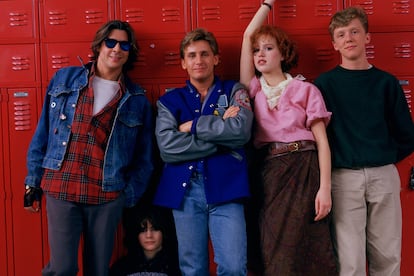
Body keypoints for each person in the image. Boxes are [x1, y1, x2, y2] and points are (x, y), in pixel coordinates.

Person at [23, 20, 154, 276]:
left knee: (98, 270)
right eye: (111, 42)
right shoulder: (65, 79)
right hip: (61, 186)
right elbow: (43, 133)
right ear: (99, 45)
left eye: (124, 45)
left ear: (130, 52)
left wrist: (127, 196)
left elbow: (144, 157)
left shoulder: (137, 99)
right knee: (62, 268)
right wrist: (32, 181)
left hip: (106, 195)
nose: (117, 49)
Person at [314, 6, 414, 276]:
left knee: (388, 256)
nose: (349, 38)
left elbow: (407, 134)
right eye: (342, 34)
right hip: (343, 178)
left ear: (367, 38)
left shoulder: (386, 83)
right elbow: (317, 135)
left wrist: (380, 155)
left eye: (355, 32)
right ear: (334, 44)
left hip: (383, 174)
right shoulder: (324, 85)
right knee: (350, 261)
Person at [240, 1, 337, 275]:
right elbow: (247, 36)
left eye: (268, 48)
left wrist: (325, 189)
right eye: (257, 50)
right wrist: (267, 3)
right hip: (270, 171)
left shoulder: (306, 89)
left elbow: (322, 143)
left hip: (306, 169)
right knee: (272, 245)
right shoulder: (254, 88)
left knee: (310, 245)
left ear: (282, 53)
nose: (260, 54)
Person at [153, 28, 254, 276]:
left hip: (227, 189)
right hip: (185, 191)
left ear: (216, 58)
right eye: (192, 55)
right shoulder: (169, 101)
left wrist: (195, 127)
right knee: (193, 269)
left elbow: (241, 132)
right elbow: (168, 148)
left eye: (205, 54)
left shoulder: (235, 91)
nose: (199, 61)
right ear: (183, 63)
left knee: (233, 266)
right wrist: (222, 139)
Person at [109, 205, 181, 276]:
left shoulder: (177, 266)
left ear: (164, 232)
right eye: (143, 230)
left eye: (154, 229)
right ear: (136, 234)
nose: (149, 235)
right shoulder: (121, 268)